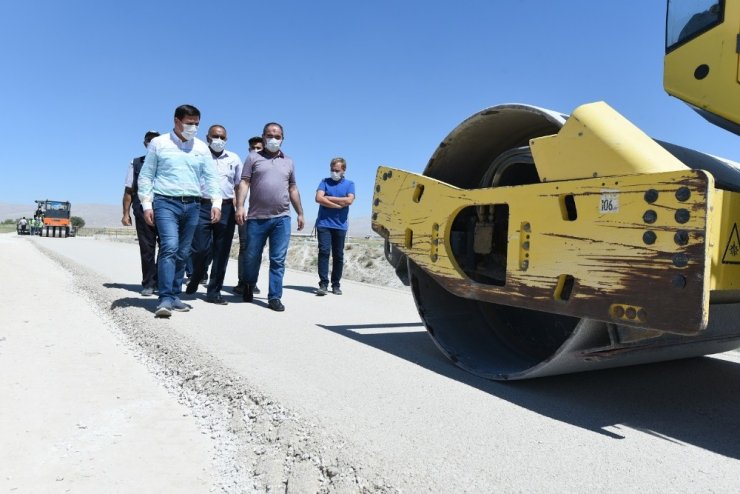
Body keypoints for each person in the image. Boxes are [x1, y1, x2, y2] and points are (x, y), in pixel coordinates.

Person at [137, 104, 222, 318]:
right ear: (176, 121)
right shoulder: (159, 143)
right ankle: (164, 297)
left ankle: (175, 295)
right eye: (189, 123)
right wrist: (147, 204)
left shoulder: (201, 148)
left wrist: (216, 203)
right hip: (165, 202)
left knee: (184, 252)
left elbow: (211, 177)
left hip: (193, 204)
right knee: (170, 247)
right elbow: (146, 175)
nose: (192, 127)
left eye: (196, 124)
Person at [235, 123, 304, 311]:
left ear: (283, 138)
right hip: (257, 218)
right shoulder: (253, 158)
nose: (274, 139)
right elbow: (244, 183)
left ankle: (274, 297)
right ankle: (248, 284)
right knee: (251, 256)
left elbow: (293, 188)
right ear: (263, 137)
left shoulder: (288, 161)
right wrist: (240, 206)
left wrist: (300, 212)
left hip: (281, 218)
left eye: (278, 136)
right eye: (270, 135)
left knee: (278, 259)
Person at [185, 124, 242, 305]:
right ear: (207, 137)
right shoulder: (198, 155)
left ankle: (214, 291)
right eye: (215, 136)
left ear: (226, 139)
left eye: (222, 137)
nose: (219, 140)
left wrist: (239, 206)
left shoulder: (234, 158)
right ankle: (196, 275)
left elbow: (239, 185)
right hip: (202, 206)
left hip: (226, 208)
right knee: (200, 248)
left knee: (221, 251)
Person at [122, 130, 161, 296]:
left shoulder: (167, 161)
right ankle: (148, 283)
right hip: (141, 208)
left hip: (164, 208)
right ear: (145, 143)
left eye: (155, 140)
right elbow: (129, 190)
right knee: (147, 248)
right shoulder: (136, 162)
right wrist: (125, 213)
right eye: (149, 140)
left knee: (168, 247)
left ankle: (161, 281)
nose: (152, 142)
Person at [314, 157, 355, 295]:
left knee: (338, 255)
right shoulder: (324, 182)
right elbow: (318, 198)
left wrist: (329, 198)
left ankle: (336, 284)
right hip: (324, 224)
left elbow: (349, 200)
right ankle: (323, 284)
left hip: (340, 225)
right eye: (332, 170)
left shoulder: (350, 184)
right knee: (324, 252)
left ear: (343, 170)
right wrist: (338, 205)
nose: (334, 172)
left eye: (337, 170)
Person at [234, 136, 263, 295]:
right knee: (245, 248)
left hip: (261, 214)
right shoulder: (243, 166)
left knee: (256, 250)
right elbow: (236, 188)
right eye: (253, 148)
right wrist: (238, 207)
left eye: (259, 148)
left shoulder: (268, 166)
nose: (256, 150)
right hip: (245, 213)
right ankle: (242, 282)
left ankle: (252, 282)